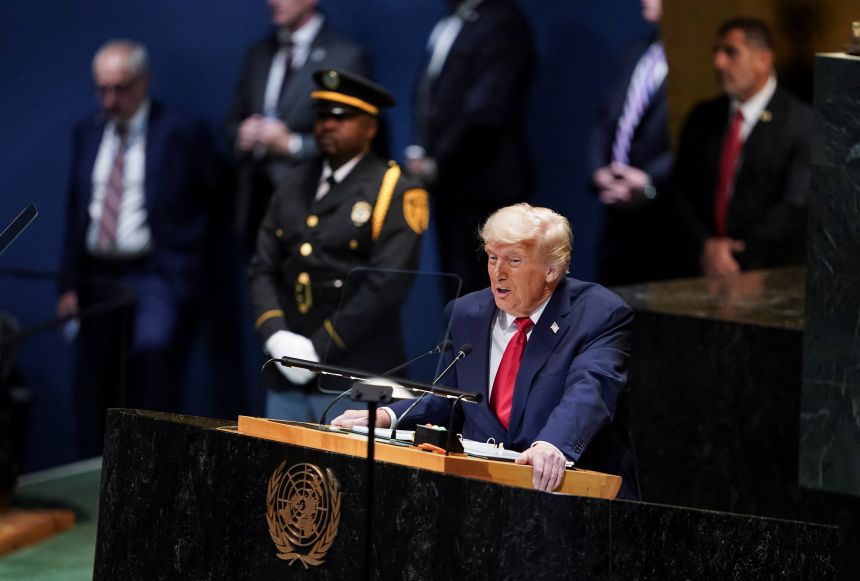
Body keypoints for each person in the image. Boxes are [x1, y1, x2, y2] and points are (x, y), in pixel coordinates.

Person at [333, 203, 640, 498]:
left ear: (552, 270)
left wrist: (553, 444)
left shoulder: (598, 314)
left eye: (514, 261)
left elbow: (590, 391)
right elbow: (450, 399)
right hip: (481, 494)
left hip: (570, 495)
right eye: (493, 257)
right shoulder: (467, 314)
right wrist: (387, 416)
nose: (498, 272)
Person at [57, 40, 215, 457]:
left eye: (119, 88)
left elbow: (214, 198)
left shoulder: (180, 131)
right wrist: (67, 285)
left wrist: (186, 268)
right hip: (96, 275)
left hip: (154, 273)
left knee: (152, 360)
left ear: (143, 82)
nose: (110, 100)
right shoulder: (87, 131)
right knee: (94, 381)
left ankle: (150, 468)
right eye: (101, 90)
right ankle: (96, 476)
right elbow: (76, 209)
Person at [249, 69, 430, 422]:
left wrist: (319, 347)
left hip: (355, 372)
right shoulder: (292, 182)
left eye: (342, 117)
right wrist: (275, 335)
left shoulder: (395, 190)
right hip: (286, 366)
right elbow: (263, 268)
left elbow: (386, 285)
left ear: (370, 126)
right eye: (322, 116)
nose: (327, 125)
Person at [405, 0, 535, 297]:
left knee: (491, 293)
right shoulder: (453, 19)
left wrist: (437, 161)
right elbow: (429, 92)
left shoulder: (503, 22)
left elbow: (486, 109)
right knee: (458, 289)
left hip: (486, 185)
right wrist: (422, 150)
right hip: (450, 184)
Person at [670, 18, 811, 278]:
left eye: (731, 52)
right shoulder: (702, 117)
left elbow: (796, 203)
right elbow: (680, 191)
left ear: (763, 59)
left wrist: (739, 253)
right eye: (716, 52)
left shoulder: (802, 123)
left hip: (770, 273)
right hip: (702, 268)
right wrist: (708, 247)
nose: (718, 63)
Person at [224, 0, 369, 243]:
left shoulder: (345, 57)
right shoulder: (259, 54)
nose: (272, 2)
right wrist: (242, 133)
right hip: (258, 209)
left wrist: (292, 145)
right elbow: (231, 121)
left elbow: (354, 138)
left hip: (313, 206)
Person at [588, 0, 673, 286]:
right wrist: (599, 170)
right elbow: (607, 114)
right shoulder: (637, 49)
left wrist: (649, 181)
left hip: (664, 217)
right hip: (616, 209)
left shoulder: (694, 62)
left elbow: (691, 138)